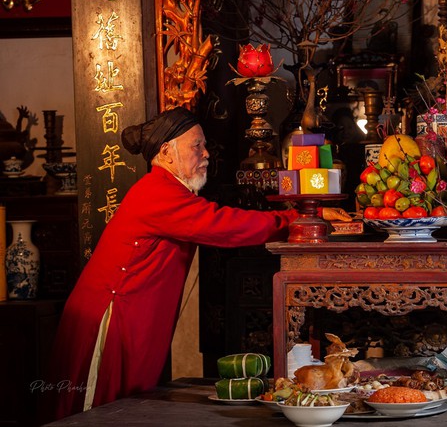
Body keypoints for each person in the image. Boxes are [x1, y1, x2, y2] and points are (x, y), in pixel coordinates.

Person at [47, 107, 350, 420]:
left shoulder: (168, 190)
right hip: (112, 315)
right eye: (196, 146)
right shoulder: (157, 192)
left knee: (127, 404)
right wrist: (298, 219)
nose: (206, 154)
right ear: (167, 152)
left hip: (132, 312)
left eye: (204, 145)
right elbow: (224, 225)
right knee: (101, 409)